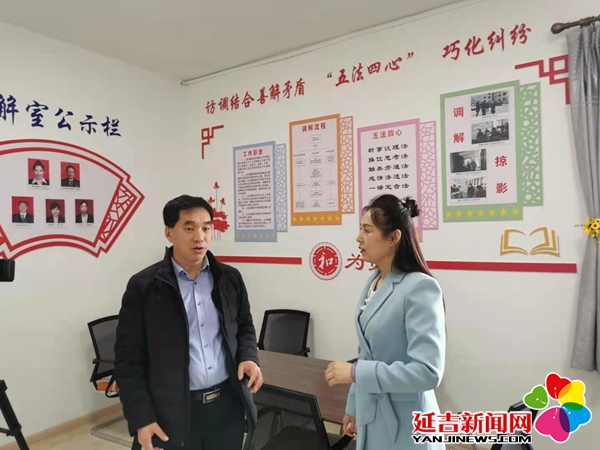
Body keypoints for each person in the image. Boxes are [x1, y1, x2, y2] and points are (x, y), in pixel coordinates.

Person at [114, 195, 263, 450]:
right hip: (171, 414)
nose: (200, 237)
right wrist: (142, 419)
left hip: (227, 409)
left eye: (206, 228)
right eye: (189, 228)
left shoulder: (229, 278)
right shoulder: (144, 286)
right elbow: (127, 361)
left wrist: (249, 356)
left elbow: (244, 326)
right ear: (169, 233)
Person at [324, 194, 446, 450]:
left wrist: (355, 373)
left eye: (367, 230)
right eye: (360, 229)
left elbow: (428, 372)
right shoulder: (375, 281)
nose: (359, 238)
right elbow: (366, 353)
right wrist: (354, 406)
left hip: (409, 423)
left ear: (393, 238)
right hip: (373, 414)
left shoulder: (420, 288)